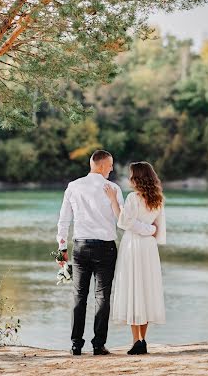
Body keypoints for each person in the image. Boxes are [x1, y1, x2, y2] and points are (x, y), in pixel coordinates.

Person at [56, 150, 157, 356]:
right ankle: (98, 345)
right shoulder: (113, 188)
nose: (112, 169)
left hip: (81, 247)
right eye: (110, 165)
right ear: (101, 165)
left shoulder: (73, 187)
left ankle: (76, 344)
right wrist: (149, 229)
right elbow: (122, 221)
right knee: (102, 297)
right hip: (105, 248)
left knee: (79, 296)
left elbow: (64, 220)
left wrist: (62, 249)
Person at [104, 161, 166, 356]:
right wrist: (150, 230)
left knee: (133, 289)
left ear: (137, 178)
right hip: (149, 247)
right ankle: (143, 340)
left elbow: (124, 222)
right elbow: (158, 228)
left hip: (133, 245)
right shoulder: (157, 198)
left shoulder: (132, 197)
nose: (129, 179)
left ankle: (135, 341)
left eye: (131, 175)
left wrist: (114, 200)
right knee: (145, 289)